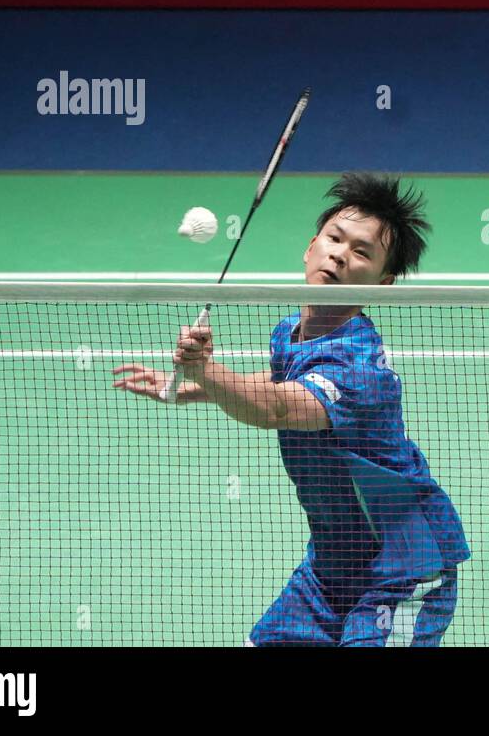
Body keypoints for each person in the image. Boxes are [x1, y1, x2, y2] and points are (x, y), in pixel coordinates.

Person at [113, 172, 470, 640]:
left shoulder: (360, 367)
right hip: (332, 565)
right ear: (310, 247)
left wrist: (206, 371)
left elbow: (278, 408)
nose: (341, 254)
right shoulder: (291, 332)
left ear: (383, 283)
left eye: (361, 251)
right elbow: (282, 381)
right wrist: (191, 387)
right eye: (334, 238)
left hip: (403, 566)